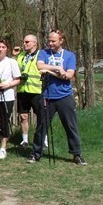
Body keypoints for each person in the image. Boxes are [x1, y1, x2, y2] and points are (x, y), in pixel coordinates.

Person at [28, 30, 86, 165]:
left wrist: (49, 71)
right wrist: (57, 69)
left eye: (53, 41)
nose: (50, 43)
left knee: (71, 126)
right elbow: (39, 66)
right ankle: (36, 153)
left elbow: (69, 75)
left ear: (61, 40)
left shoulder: (70, 56)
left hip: (65, 96)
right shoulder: (44, 53)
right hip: (47, 96)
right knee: (42, 126)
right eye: (49, 40)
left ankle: (76, 153)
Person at [0, 39, 21, 159]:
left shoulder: (11, 62)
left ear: (7, 49)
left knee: (5, 121)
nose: (0, 49)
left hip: (7, 95)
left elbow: (17, 79)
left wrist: (8, 85)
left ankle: (3, 147)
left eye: (3, 47)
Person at [16, 34, 43, 147]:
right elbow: (16, 69)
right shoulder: (21, 55)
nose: (24, 44)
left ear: (34, 43)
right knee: (23, 116)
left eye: (27, 42)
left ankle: (43, 139)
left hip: (36, 90)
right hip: (22, 90)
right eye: (24, 41)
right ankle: (25, 140)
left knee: (40, 116)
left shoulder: (40, 55)